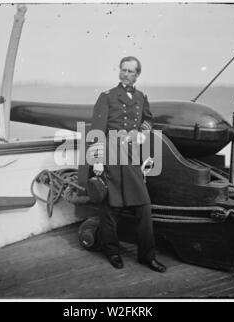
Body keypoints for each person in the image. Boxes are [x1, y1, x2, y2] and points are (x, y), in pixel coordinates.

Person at [89, 56, 166, 272]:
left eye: (130, 71)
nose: (125, 74)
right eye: (123, 70)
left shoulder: (142, 97)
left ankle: (147, 256)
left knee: (143, 207)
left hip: (131, 155)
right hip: (110, 155)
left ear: (137, 75)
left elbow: (148, 120)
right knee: (110, 209)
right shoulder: (107, 97)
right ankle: (112, 251)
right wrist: (97, 161)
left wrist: (142, 133)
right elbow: (96, 131)